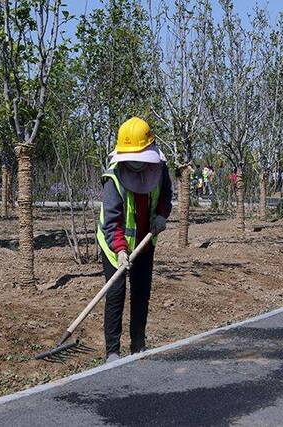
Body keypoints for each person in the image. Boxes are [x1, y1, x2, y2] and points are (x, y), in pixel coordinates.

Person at [97, 116, 173, 363]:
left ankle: (138, 344)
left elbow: (165, 196)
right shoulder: (114, 178)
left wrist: (162, 215)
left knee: (141, 291)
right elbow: (112, 221)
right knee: (116, 292)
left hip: (145, 240)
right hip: (114, 244)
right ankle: (112, 351)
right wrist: (120, 250)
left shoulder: (160, 170)